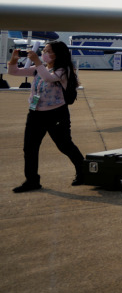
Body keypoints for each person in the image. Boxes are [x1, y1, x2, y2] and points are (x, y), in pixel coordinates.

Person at [7, 41, 88, 192]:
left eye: (47, 51)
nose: (44, 53)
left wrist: (37, 61)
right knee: (29, 148)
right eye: (43, 50)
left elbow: (48, 78)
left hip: (56, 114)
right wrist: (14, 59)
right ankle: (32, 181)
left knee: (65, 145)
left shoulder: (63, 70)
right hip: (35, 113)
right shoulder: (39, 68)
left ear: (57, 54)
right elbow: (14, 72)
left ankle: (83, 171)